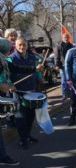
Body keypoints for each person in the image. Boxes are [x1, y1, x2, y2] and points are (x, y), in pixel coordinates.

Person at [7, 37, 44, 150]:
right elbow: (7, 75)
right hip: (18, 91)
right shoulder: (10, 59)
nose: (22, 47)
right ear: (16, 46)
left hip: (31, 90)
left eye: (24, 45)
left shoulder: (32, 57)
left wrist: (39, 77)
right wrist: (9, 84)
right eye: (19, 45)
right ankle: (23, 140)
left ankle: (27, 135)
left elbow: (36, 72)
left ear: (27, 45)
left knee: (30, 115)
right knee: (20, 117)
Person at [0, 38, 20, 166]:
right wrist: (3, 86)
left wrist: (10, 85)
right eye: (9, 50)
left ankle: (3, 156)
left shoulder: (3, 60)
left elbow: (5, 78)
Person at [54, 33, 74, 100]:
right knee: (63, 81)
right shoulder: (59, 46)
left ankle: (70, 94)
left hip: (70, 65)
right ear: (62, 38)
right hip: (62, 66)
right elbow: (57, 56)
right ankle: (64, 95)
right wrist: (57, 65)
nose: (66, 38)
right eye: (65, 37)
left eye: (67, 37)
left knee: (70, 80)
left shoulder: (71, 46)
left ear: (69, 38)